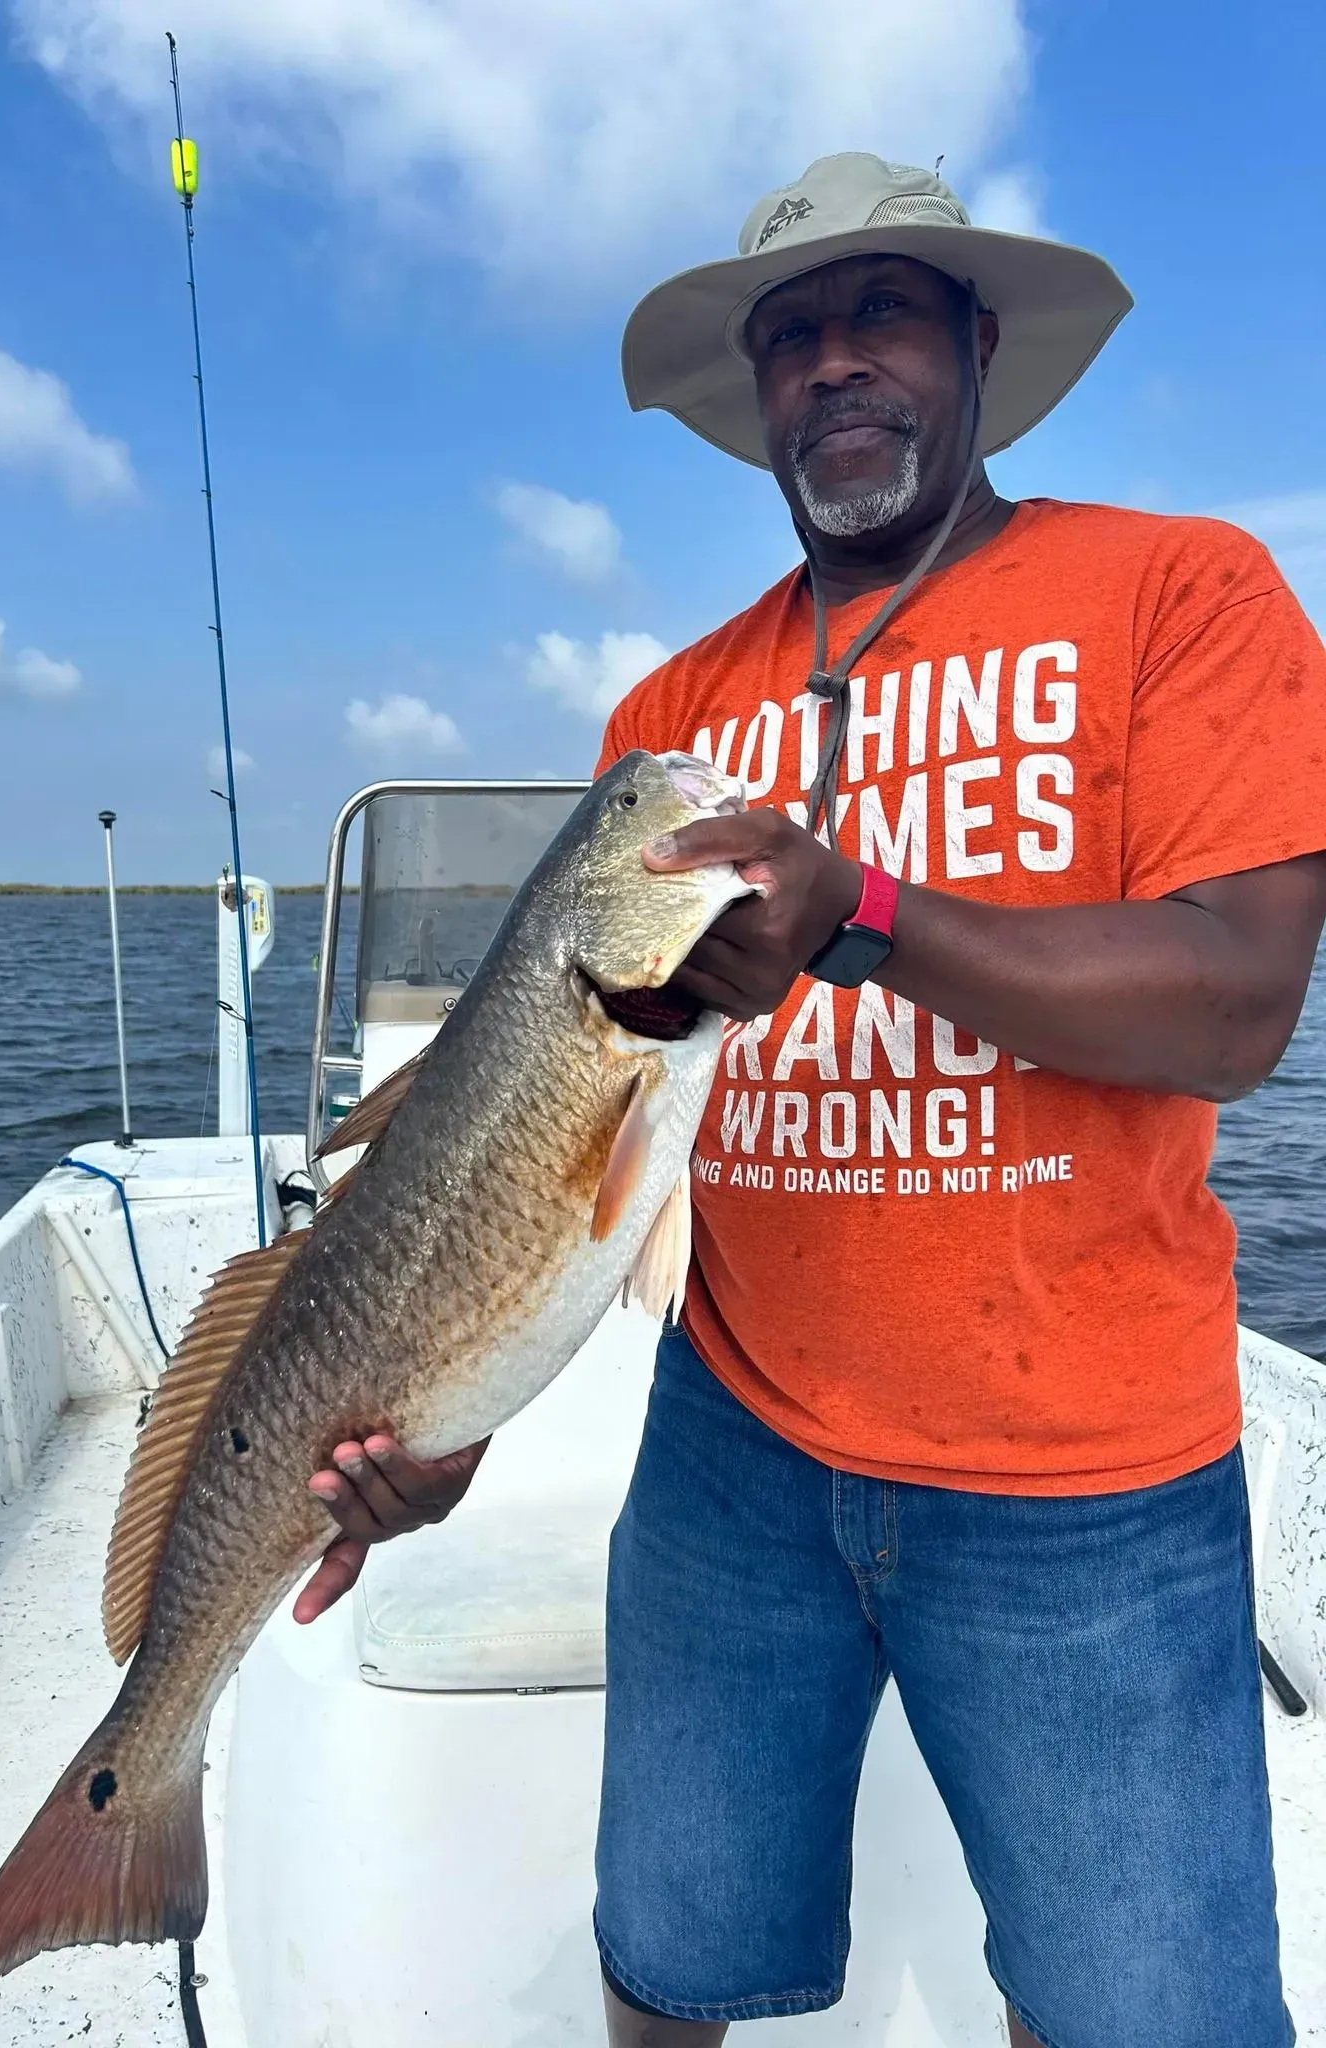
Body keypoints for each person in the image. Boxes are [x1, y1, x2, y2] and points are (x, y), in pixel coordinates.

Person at [295, 155, 1326, 2046]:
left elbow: (1243, 1000)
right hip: (734, 1456)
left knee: (1140, 2011)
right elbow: (553, 1143)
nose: (834, 365)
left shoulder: (1180, 589)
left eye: (882, 315)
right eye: (791, 336)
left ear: (978, 347)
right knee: (664, 1954)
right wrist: (428, 1436)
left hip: (1086, 1478)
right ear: (756, 394)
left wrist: (860, 911)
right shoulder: (671, 717)